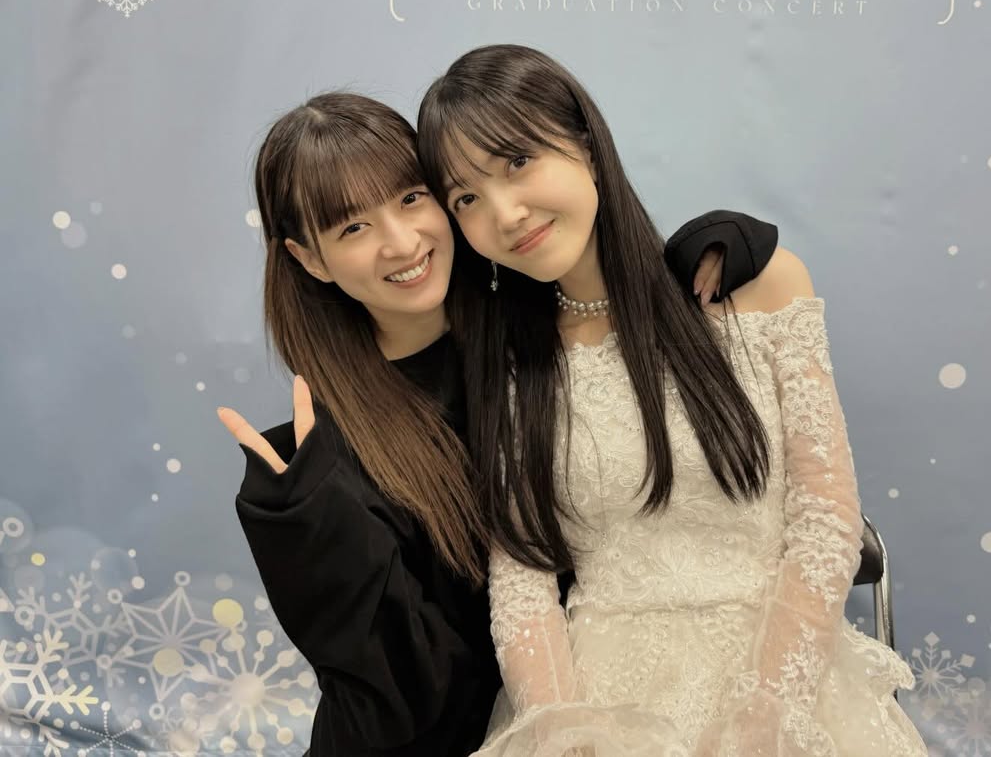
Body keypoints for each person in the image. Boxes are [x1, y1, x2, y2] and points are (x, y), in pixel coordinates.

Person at [216, 90, 779, 756]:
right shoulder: (328, 463)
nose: (402, 242)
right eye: (353, 229)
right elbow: (399, 708)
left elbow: (612, 262)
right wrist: (311, 534)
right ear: (310, 259)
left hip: (628, 701)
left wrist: (714, 243)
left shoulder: (538, 320)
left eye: (411, 198)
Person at [417, 45, 927, 756]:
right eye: (465, 198)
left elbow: (825, 519)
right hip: (600, 700)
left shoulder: (759, 285)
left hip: (785, 682)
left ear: (587, 146)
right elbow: (522, 582)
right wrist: (566, 731)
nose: (505, 212)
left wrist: (769, 712)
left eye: (518, 161)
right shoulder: (506, 364)